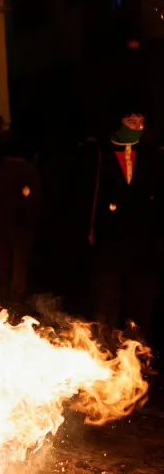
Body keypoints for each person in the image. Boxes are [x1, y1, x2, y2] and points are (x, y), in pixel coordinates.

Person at [82, 107, 161, 340]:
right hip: (109, 238)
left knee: (140, 299)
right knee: (107, 297)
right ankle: (108, 343)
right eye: (130, 120)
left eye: (141, 121)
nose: (136, 125)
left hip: (142, 239)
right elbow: (89, 195)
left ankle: (137, 346)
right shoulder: (98, 154)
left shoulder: (150, 155)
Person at [0, 140, 42, 300]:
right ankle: (17, 293)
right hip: (22, 223)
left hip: (0, 221)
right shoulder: (29, 170)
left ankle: (3, 291)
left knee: (3, 258)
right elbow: (35, 198)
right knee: (19, 260)